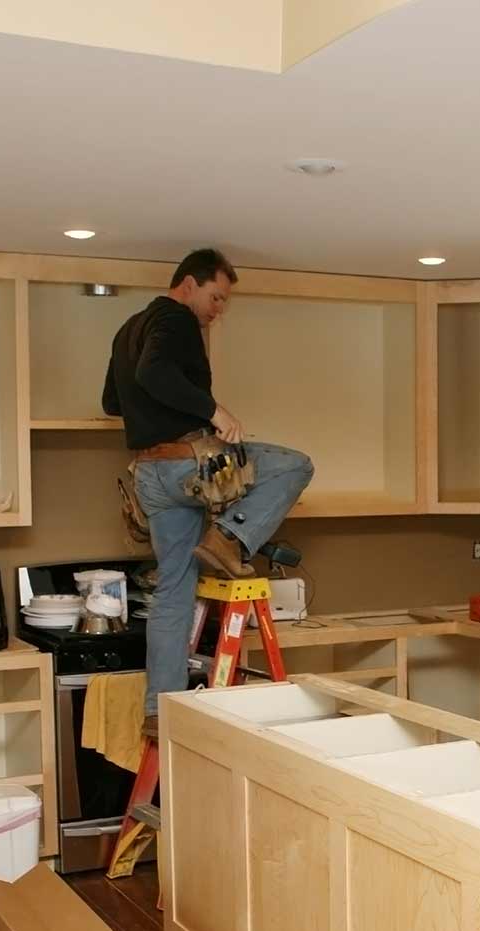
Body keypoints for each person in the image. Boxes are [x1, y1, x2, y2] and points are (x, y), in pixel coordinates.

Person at [103, 248, 314, 720]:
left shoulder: (126, 330)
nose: (218, 310)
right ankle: (230, 539)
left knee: (173, 590)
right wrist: (213, 411)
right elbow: (153, 372)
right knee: (295, 465)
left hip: (150, 476)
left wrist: (154, 411)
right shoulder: (175, 319)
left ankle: (161, 709)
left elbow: (112, 401)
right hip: (187, 465)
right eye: (216, 297)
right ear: (189, 284)